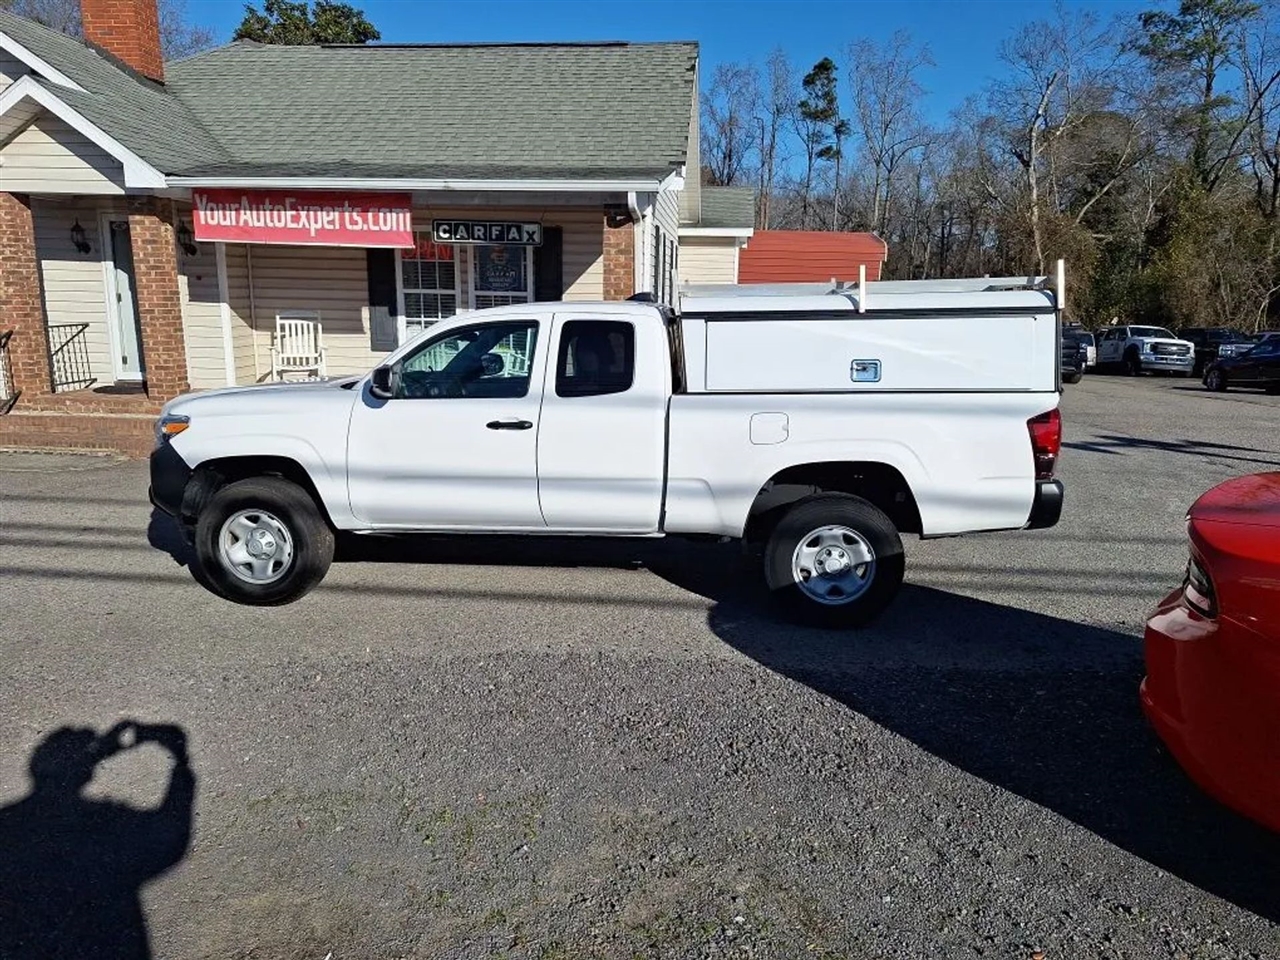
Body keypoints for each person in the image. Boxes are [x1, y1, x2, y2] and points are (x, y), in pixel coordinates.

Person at [0, 721, 195, 960]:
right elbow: (169, 840)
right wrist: (179, 760)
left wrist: (90, 757)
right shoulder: (101, 826)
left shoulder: (8, 826)